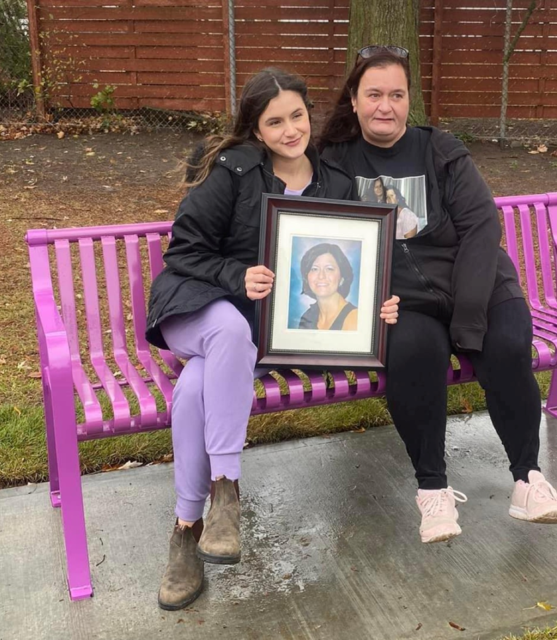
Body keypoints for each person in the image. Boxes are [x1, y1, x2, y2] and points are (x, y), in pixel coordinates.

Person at [145, 68, 400, 610]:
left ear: (311, 115)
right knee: (230, 330)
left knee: (194, 389)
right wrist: (237, 276)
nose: (290, 130)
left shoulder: (333, 180)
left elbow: (357, 257)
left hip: (261, 337)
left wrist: (377, 302)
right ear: (256, 130)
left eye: (298, 116)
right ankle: (228, 492)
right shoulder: (230, 172)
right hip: (198, 309)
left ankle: (186, 532)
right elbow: (183, 253)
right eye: (275, 121)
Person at [319, 46, 557, 544]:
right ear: (353, 99)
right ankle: (432, 489)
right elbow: (330, 239)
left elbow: (480, 227)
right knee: (413, 351)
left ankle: (528, 479)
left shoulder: (441, 149)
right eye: (373, 94)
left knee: (505, 345)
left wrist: (468, 321)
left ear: (411, 99)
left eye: (396, 94)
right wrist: (369, 299)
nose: (385, 106)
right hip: (403, 299)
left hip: (478, 283)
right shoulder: (335, 162)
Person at [297, 243, 359, 331]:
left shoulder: (355, 319)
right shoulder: (307, 318)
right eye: (314, 269)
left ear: (342, 277)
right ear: (307, 277)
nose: (321, 276)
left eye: (329, 269)